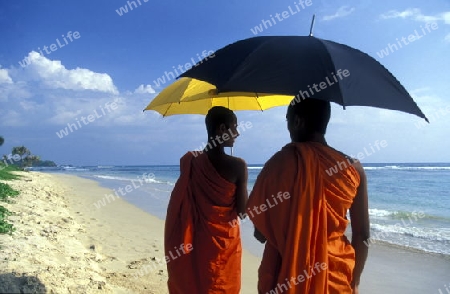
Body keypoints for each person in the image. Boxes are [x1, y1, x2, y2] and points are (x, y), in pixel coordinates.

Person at [247, 98, 369, 294]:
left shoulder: (278, 163)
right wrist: (354, 280)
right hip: (335, 276)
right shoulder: (353, 168)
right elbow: (362, 234)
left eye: (287, 120)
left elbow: (260, 234)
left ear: (297, 122)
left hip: (284, 273)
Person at [164, 106, 248, 294]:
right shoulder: (238, 166)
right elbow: (243, 212)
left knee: (196, 282)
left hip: (196, 239)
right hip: (224, 243)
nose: (237, 133)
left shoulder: (190, 162)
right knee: (220, 285)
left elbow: (187, 201)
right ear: (221, 129)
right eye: (234, 127)